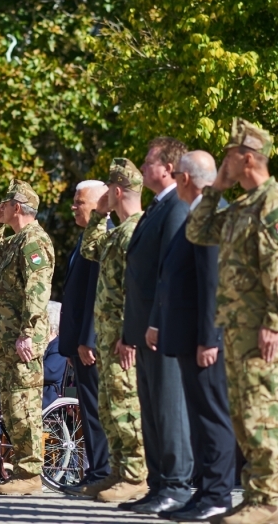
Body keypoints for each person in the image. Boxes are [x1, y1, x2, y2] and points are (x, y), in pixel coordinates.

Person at [186, 118, 278, 524]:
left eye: (228, 155)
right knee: (242, 414)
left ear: (247, 157)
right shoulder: (241, 204)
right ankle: (256, 494)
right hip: (236, 328)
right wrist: (216, 190)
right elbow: (198, 231)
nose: (223, 161)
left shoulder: (272, 203)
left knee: (261, 413)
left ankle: (270, 500)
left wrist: (273, 323)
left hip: (261, 328)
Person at [149, 150, 235, 522]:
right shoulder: (201, 210)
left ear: (184, 178)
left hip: (206, 339)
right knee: (200, 416)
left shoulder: (211, 212)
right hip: (190, 336)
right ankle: (204, 490)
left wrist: (209, 339)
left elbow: (213, 284)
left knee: (213, 416)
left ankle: (217, 494)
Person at [124, 137, 193, 514]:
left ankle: (177, 485)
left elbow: (171, 272)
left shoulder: (176, 207)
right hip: (143, 328)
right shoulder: (157, 207)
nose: (144, 166)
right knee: (151, 409)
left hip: (162, 328)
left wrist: (155, 322)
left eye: (149, 160)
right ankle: (158, 484)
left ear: (168, 167)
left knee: (169, 407)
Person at [77, 158, 147, 502]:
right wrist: (100, 215)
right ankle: (118, 473)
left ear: (117, 190)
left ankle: (135, 476)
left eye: (108, 192)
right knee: (109, 408)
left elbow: (141, 289)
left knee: (126, 407)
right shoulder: (117, 231)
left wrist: (130, 335)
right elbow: (90, 249)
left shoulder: (137, 230)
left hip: (123, 340)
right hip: (108, 339)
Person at [0, 179, 54, 495]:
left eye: (5, 203)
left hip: (23, 340)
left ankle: (31, 473)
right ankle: (24, 470)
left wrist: (28, 333)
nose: (1, 207)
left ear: (17, 206)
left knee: (25, 405)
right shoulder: (16, 240)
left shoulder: (34, 241)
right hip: (9, 340)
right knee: (12, 405)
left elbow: (37, 291)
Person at [59, 181, 112, 495]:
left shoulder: (103, 236)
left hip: (92, 343)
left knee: (97, 408)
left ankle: (103, 470)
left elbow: (98, 293)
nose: (73, 207)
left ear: (99, 203)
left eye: (79, 202)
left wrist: (87, 339)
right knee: (88, 408)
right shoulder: (84, 238)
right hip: (79, 342)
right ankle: (96, 470)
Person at [42, 302, 67, 409]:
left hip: (45, 394)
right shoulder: (36, 344)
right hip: (22, 390)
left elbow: (48, 372)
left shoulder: (58, 345)